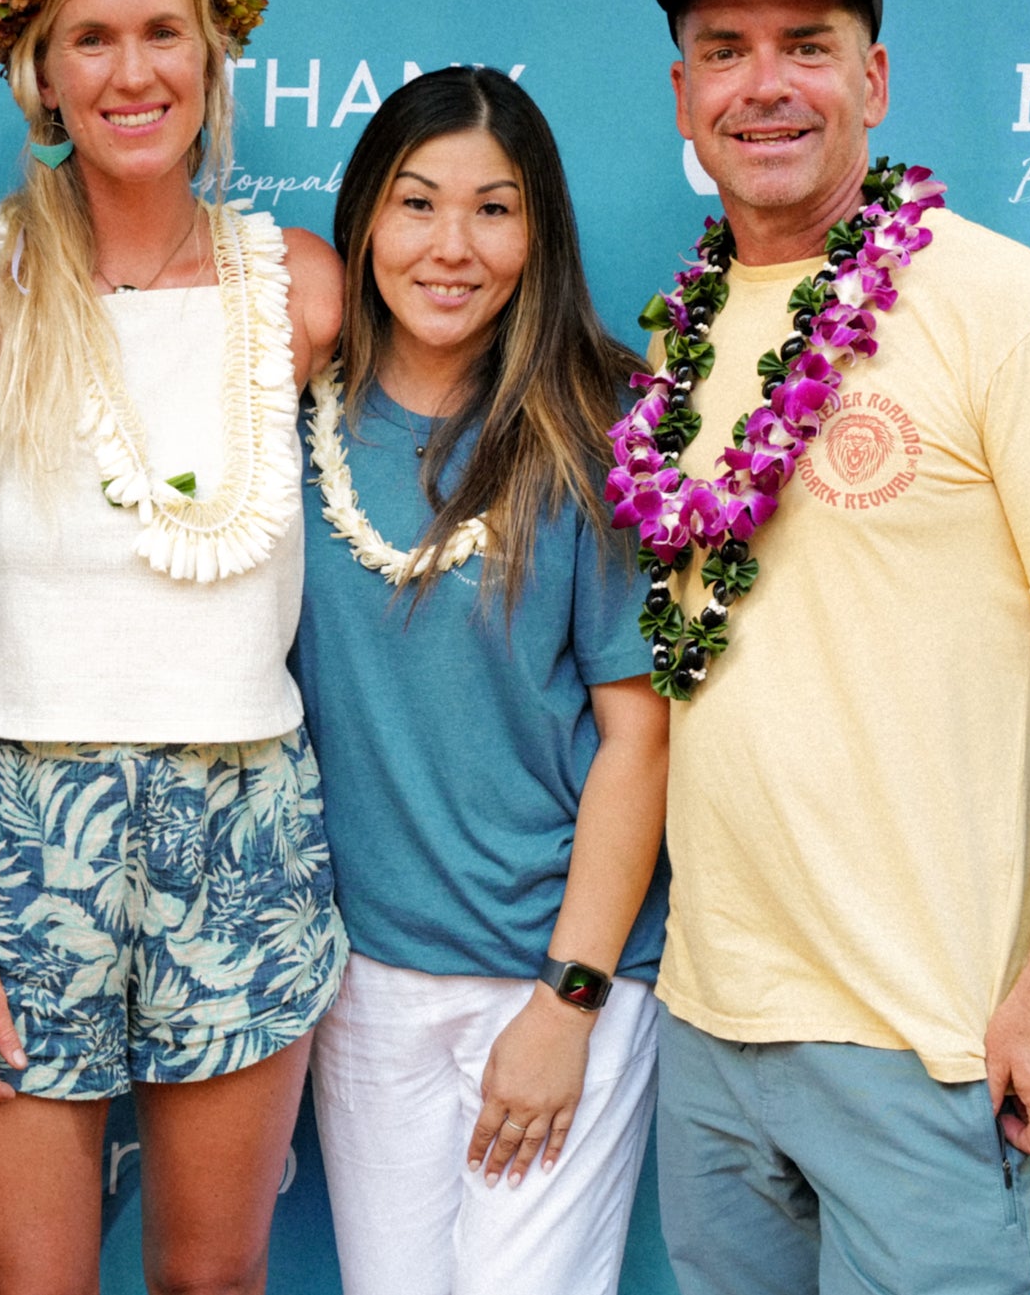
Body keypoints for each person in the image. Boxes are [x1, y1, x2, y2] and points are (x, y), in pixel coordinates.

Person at [626, 0, 1030, 1294]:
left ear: (872, 78)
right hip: (705, 1022)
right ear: (684, 94)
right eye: (726, 47)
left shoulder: (1005, 307)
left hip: (921, 1042)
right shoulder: (677, 334)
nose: (766, 84)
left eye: (807, 44)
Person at [0, 0, 346, 1295]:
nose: (131, 72)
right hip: (15, 828)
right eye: (90, 39)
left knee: (214, 1277)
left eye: (163, 34)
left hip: (245, 820)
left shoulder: (303, 289)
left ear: (214, 60)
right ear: (39, 72)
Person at [293, 67, 671, 1294]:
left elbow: (639, 739)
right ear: (362, 222)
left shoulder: (598, 428)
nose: (451, 246)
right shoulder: (289, 422)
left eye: (494, 209)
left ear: (539, 232)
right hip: (368, 979)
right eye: (417, 203)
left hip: (555, 970)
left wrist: (568, 1004)